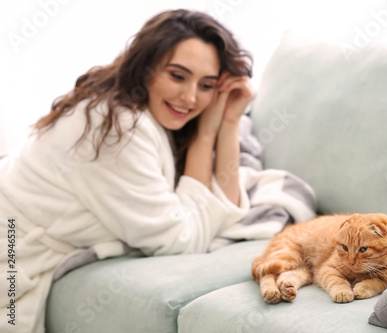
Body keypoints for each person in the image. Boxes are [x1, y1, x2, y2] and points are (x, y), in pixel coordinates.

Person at [0, 9, 316, 332]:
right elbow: (180, 241)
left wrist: (229, 122)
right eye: (177, 76)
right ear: (146, 67)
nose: (190, 97)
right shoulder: (117, 129)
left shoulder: (151, 113)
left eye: (207, 85)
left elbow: (218, 200)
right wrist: (206, 135)